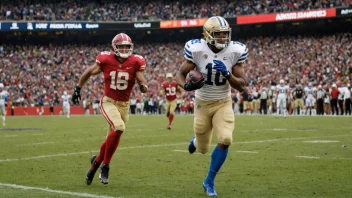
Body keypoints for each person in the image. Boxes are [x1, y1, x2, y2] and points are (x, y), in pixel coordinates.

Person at [176, 16, 247, 197]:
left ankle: (209, 181)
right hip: (202, 103)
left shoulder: (234, 51)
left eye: (225, 34)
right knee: (202, 149)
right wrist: (186, 86)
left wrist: (228, 75)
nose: (223, 38)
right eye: (219, 34)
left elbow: (242, 85)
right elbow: (180, 74)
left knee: (225, 139)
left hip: (223, 102)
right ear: (208, 35)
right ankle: (194, 141)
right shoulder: (197, 49)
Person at [71, 33, 148, 185]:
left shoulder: (136, 61)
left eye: (127, 46)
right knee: (119, 127)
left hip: (124, 105)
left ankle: (94, 166)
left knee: (111, 139)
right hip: (108, 102)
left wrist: (143, 85)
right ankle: (105, 166)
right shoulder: (106, 59)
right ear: (114, 48)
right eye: (121, 46)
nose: (125, 49)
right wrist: (78, 88)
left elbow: (140, 78)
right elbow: (89, 72)